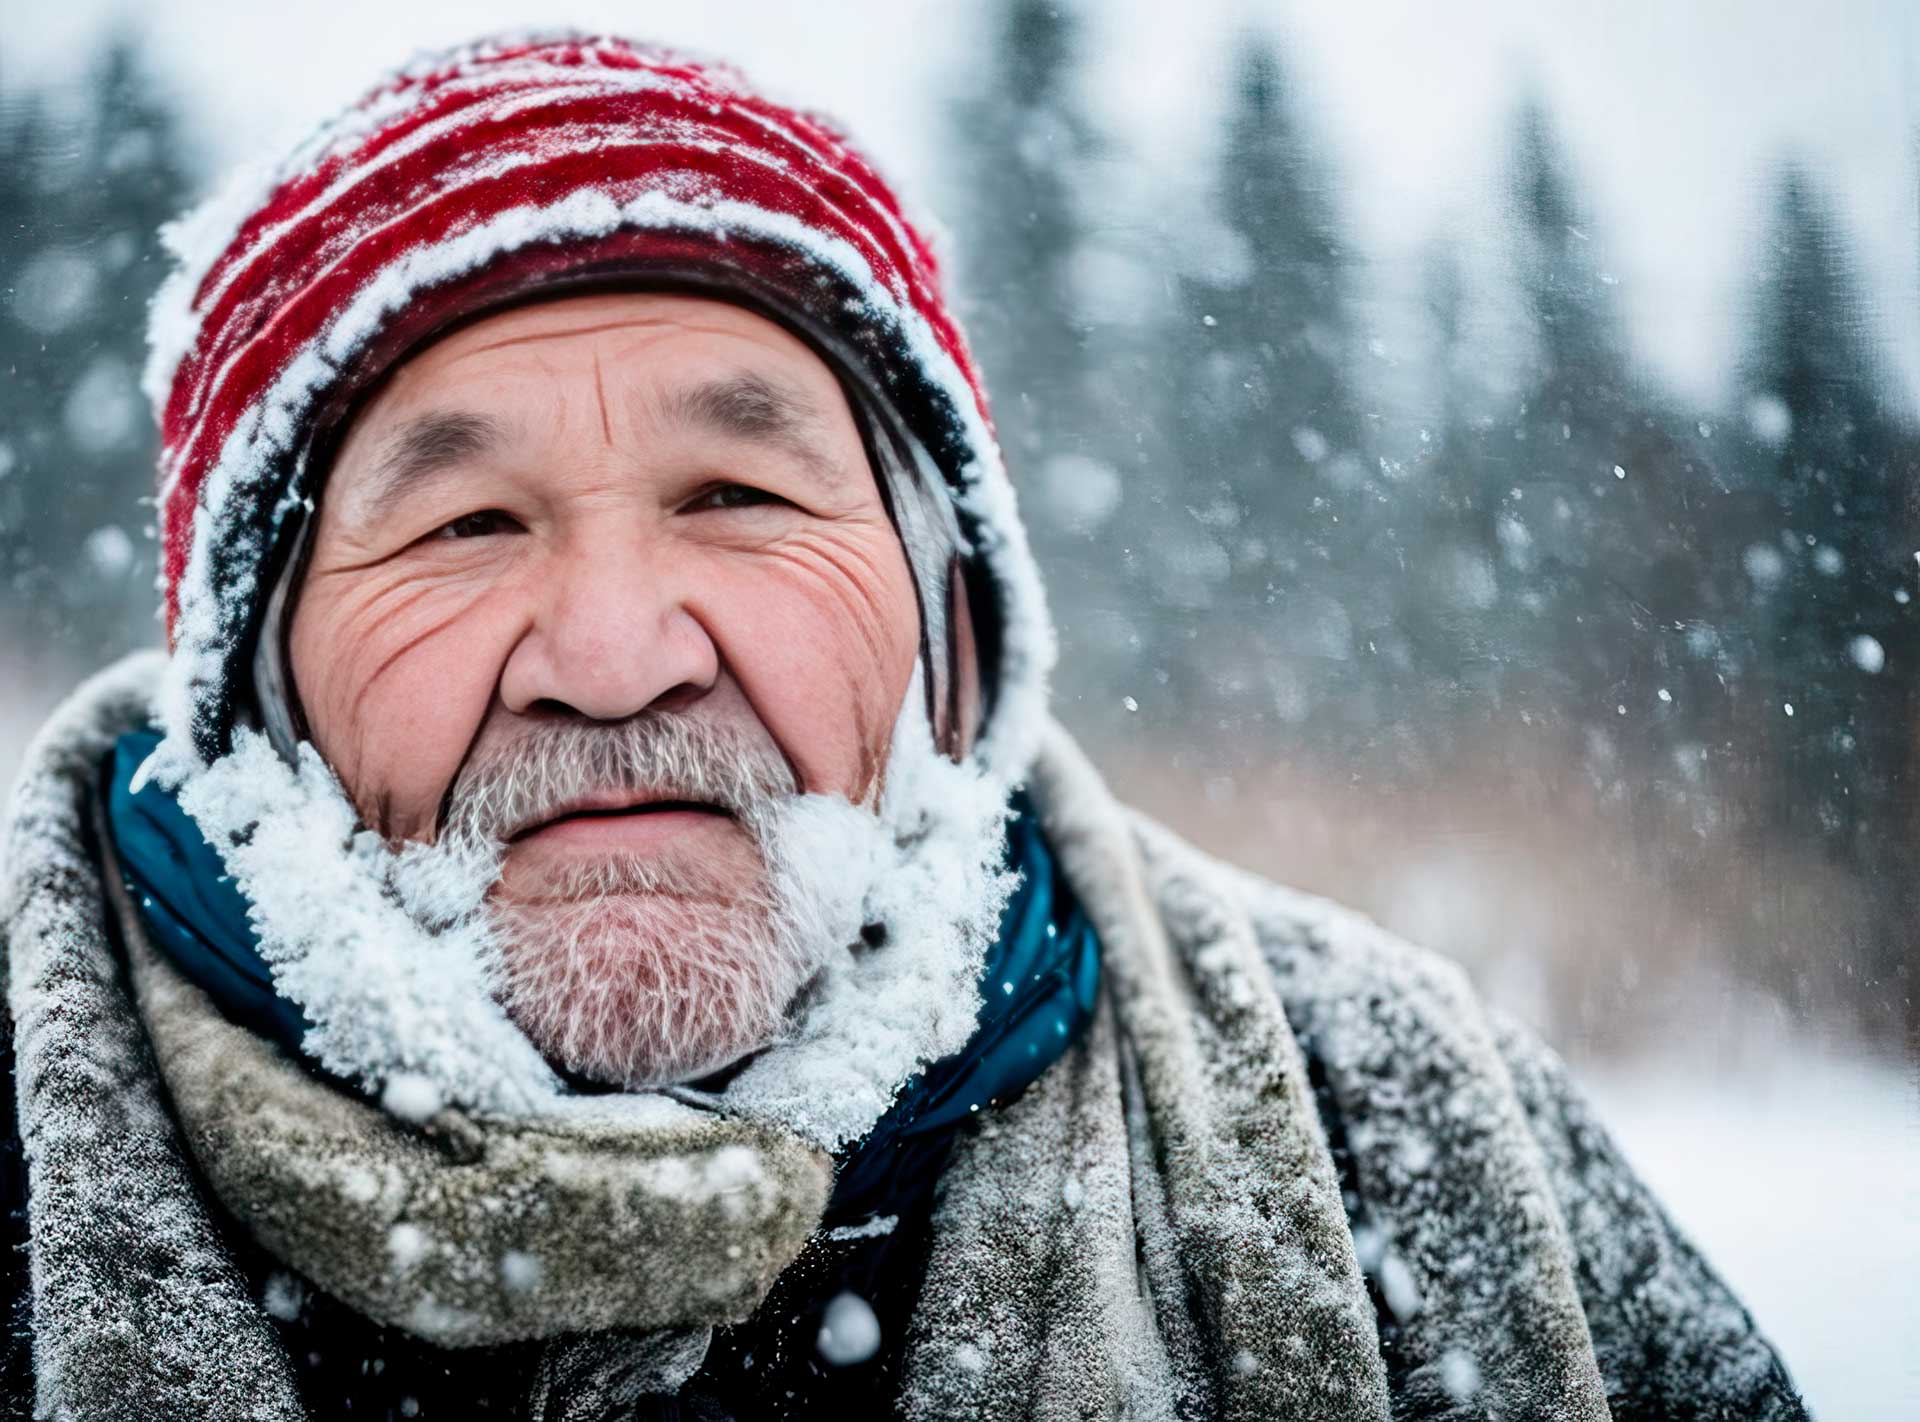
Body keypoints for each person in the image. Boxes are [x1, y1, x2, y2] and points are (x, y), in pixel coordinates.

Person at [0, 31, 1808, 1422]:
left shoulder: (1397, 1112)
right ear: (251, 679)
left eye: (735, 494)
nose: (618, 656)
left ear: (952, 617)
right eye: (468, 523)